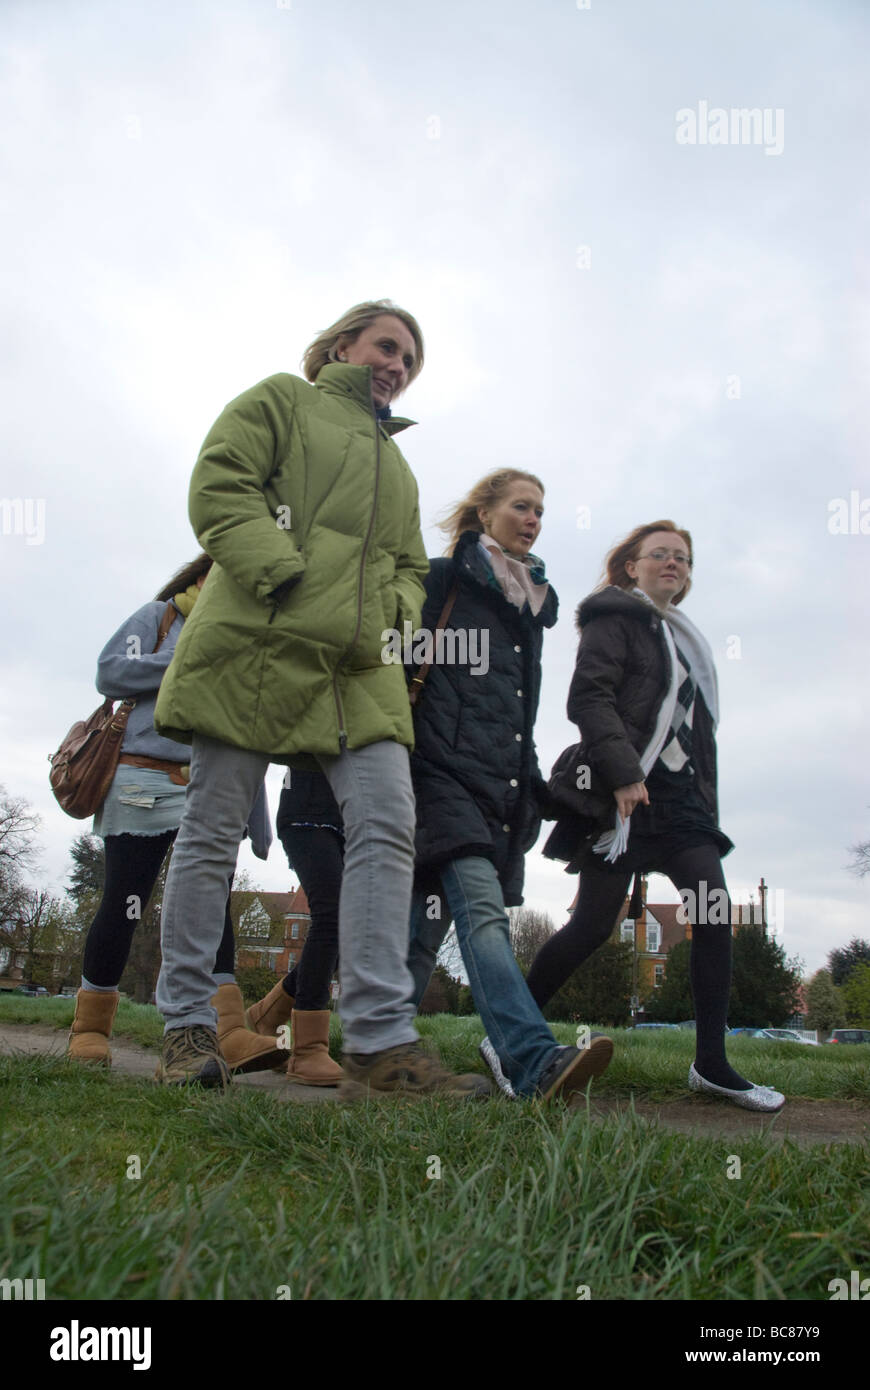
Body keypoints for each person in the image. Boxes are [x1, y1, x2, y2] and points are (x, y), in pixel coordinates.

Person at [152, 300, 488, 1096]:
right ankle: (186, 1029)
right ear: (343, 344)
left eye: (410, 360)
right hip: (255, 641)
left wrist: (390, 616)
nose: (398, 366)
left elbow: (410, 567)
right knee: (212, 828)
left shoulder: (399, 468)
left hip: (357, 670)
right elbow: (219, 483)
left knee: (387, 823)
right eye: (388, 346)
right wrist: (286, 572)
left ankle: (380, 1043)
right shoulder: (281, 400)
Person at [524, 521, 784, 1112]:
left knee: (713, 912)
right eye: (660, 555)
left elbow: (698, 735)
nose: (673, 564)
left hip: (683, 806)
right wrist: (622, 774)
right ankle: (511, 1030)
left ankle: (712, 1064)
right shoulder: (613, 619)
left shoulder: (690, 641)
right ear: (631, 567)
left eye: (683, 559)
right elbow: (588, 698)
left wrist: (705, 802)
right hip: (624, 796)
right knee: (590, 926)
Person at [404, 469, 614, 1100]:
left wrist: (536, 787)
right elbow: (389, 658)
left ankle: (379, 1054)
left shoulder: (530, 607)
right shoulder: (441, 583)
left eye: (541, 512)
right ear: (484, 512)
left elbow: (516, 712)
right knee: (482, 913)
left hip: (499, 792)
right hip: (436, 773)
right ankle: (531, 1059)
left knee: (420, 933)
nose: (534, 520)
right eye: (522, 507)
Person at [67, 556, 283, 1075]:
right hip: (143, 775)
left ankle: (225, 1031)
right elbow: (109, 672)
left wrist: (258, 818)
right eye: (220, 576)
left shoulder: (246, 638)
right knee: (126, 898)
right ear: (199, 577)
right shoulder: (160, 616)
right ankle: (91, 1025)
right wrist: (190, 658)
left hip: (211, 783)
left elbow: (245, 732)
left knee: (213, 904)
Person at [245, 768, 344, 1086]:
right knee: (333, 914)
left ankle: (267, 1015)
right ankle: (307, 1048)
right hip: (309, 812)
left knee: (355, 929)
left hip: (357, 819)